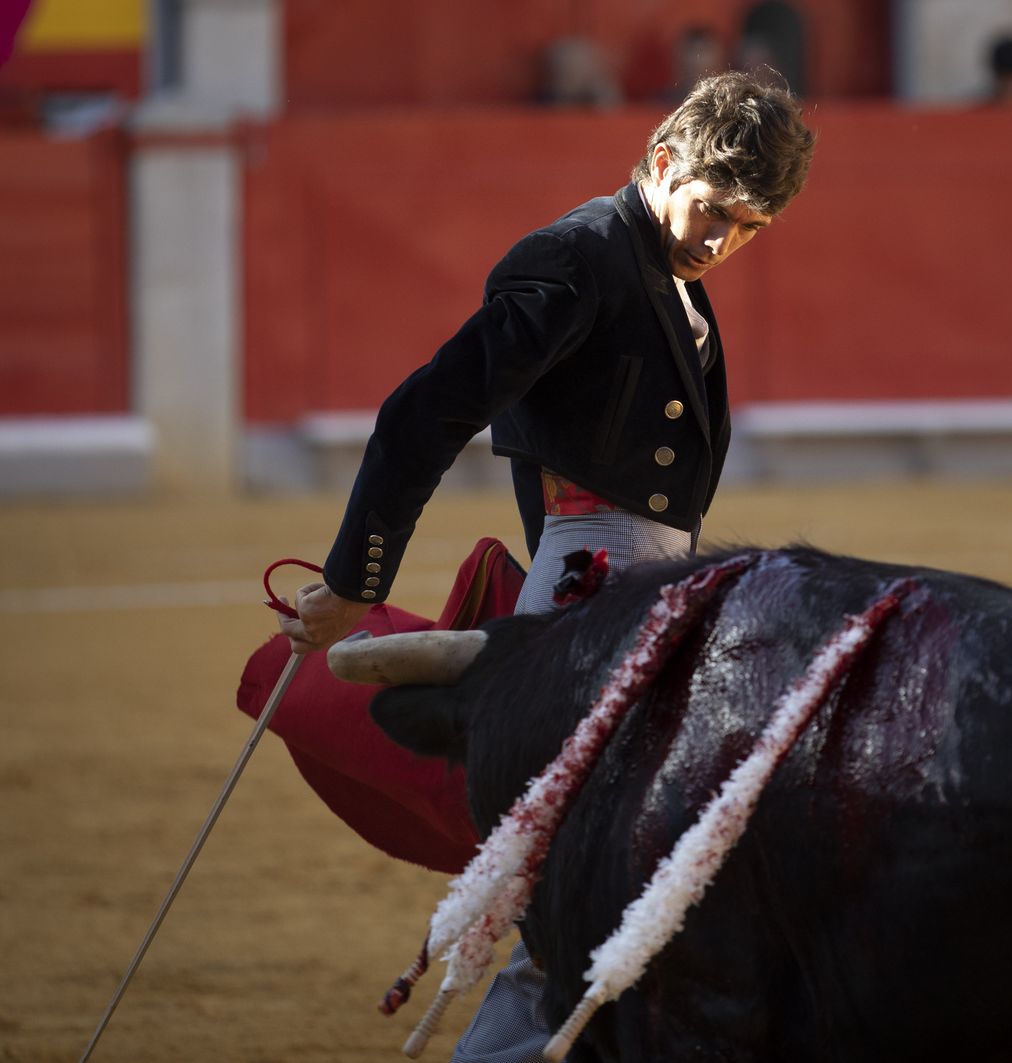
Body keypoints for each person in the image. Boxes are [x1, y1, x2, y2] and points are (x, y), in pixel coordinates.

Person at [278, 70, 816, 1061]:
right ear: (664, 161)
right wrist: (358, 581)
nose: (721, 240)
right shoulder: (577, 258)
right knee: (592, 886)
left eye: (749, 226)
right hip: (589, 604)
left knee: (607, 889)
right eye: (713, 208)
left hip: (636, 602)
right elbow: (425, 410)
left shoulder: (663, 276)